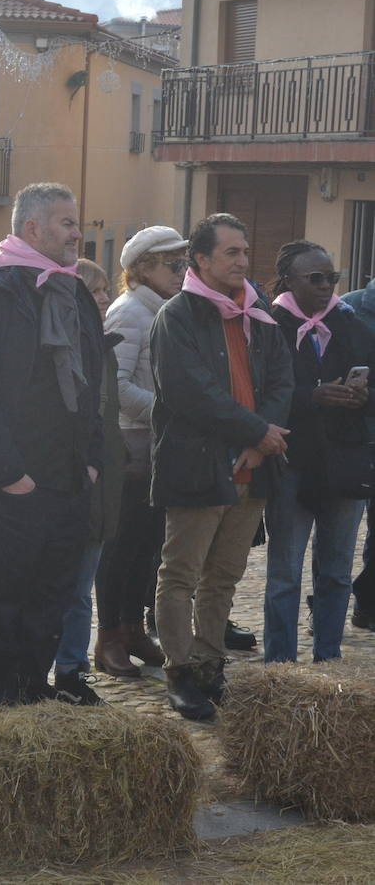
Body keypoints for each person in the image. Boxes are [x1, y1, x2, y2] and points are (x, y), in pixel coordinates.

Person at [0, 182, 105, 708]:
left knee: (50, 605)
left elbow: (93, 386)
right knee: (2, 610)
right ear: (32, 228)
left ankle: (32, 702)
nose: (77, 233)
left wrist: (91, 462)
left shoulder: (73, 292)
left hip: (68, 480)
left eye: (76, 222)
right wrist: (12, 476)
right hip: (14, 487)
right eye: (66, 223)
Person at [149, 214, 293, 721]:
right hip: (198, 464)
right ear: (201, 259)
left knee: (224, 577)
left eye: (245, 250)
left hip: (254, 466)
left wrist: (261, 442)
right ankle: (179, 672)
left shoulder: (259, 312)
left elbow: (283, 380)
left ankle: (210, 665)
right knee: (181, 575)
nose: (242, 261)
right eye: (231, 252)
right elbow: (191, 393)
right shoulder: (177, 316)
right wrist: (256, 432)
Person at [264, 240, 373, 663]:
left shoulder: (351, 324)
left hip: (344, 464)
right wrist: (312, 396)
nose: (326, 285)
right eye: (315, 278)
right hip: (291, 461)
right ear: (289, 280)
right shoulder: (270, 326)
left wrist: (361, 397)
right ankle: (280, 665)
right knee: (284, 575)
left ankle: (328, 658)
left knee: (336, 573)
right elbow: (262, 396)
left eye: (332, 277)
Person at [94, 226, 187, 676]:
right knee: (121, 548)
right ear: (144, 268)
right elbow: (115, 385)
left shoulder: (164, 310)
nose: (182, 272)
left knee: (146, 547)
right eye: (173, 264)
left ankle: (133, 629)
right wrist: (168, 412)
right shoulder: (130, 312)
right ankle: (109, 636)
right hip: (132, 445)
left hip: (157, 445)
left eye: (184, 263)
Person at [50, 259, 123, 706]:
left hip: (100, 480)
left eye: (103, 290)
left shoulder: (105, 347)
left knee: (81, 590)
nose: (103, 298)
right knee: (60, 586)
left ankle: (72, 669)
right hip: (68, 480)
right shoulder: (62, 346)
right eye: (93, 291)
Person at [339, 274, 375, 632]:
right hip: (353, 439)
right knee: (339, 534)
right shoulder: (351, 308)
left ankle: (366, 603)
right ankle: (326, 607)